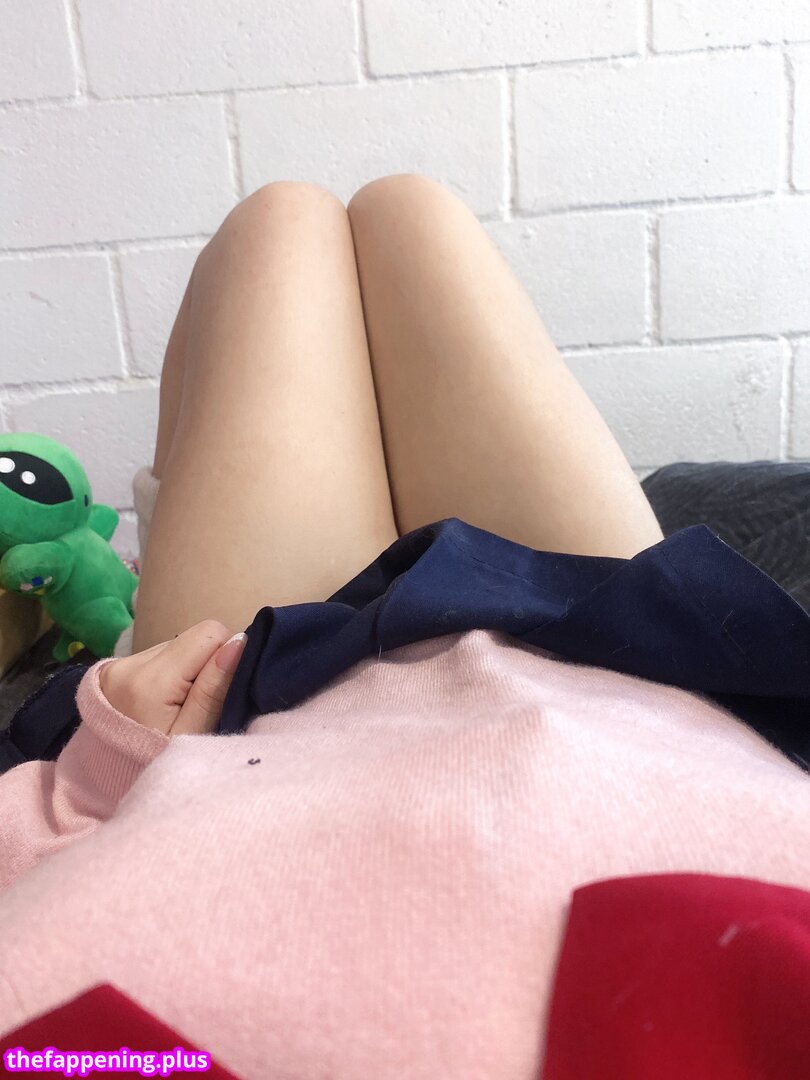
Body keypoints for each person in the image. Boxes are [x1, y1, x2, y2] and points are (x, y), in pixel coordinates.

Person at [0, 175, 808, 1077]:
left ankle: (168, 540)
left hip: (257, 697)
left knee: (279, 225)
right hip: (634, 669)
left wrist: (100, 775)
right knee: (407, 212)